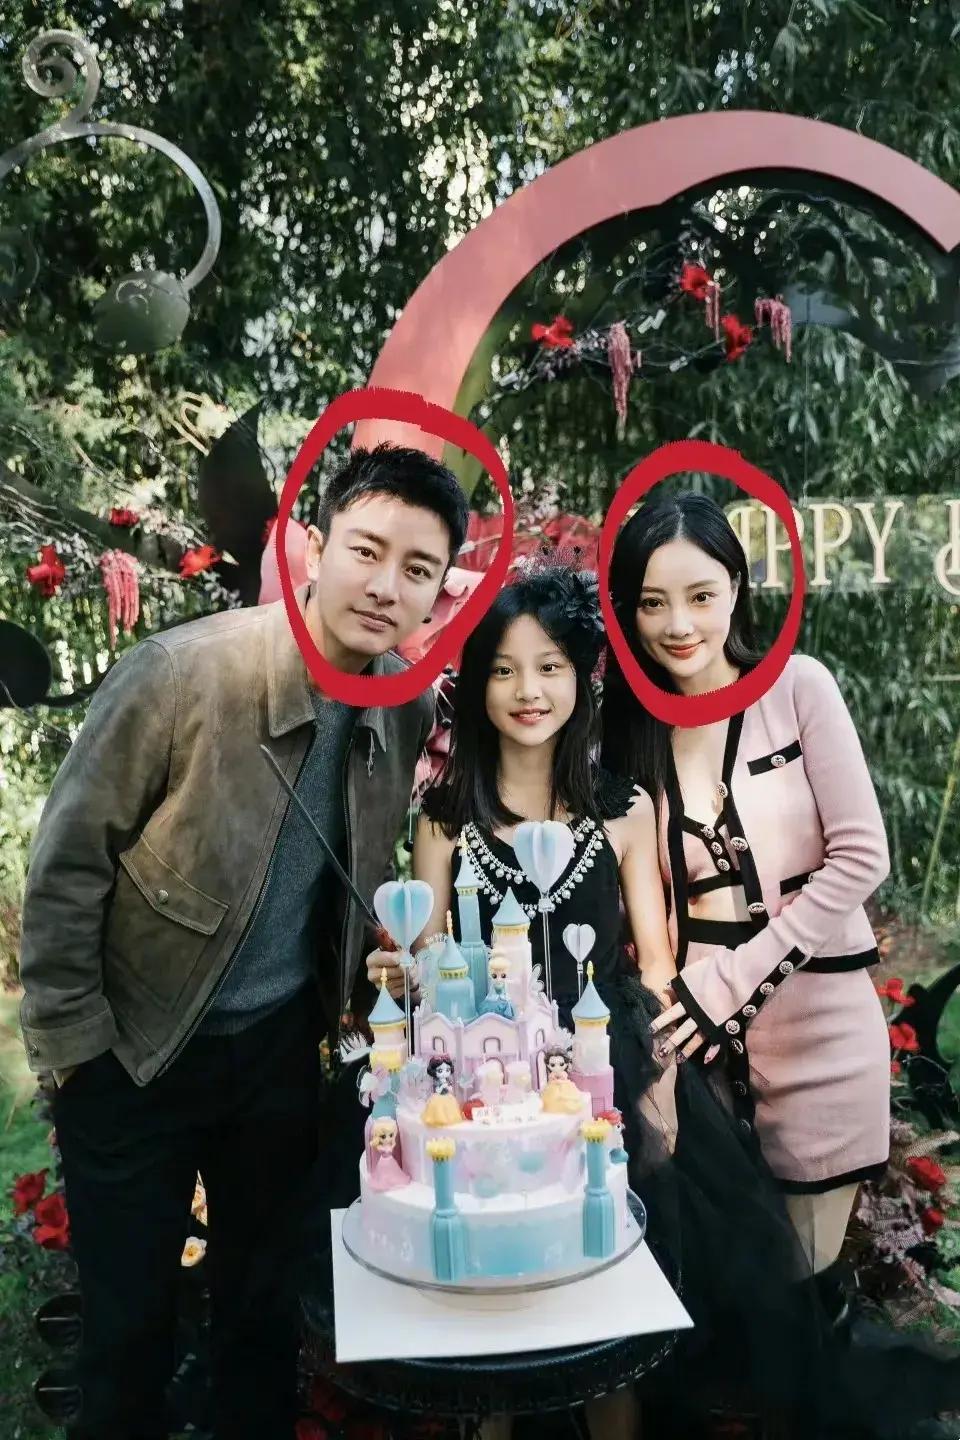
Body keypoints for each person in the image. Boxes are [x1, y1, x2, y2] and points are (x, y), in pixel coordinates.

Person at [17, 443, 469, 1440]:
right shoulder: (181, 675)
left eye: (417, 569)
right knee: (129, 1341)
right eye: (367, 550)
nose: (385, 587)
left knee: (261, 1331)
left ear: (438, 589)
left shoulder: (404, 704)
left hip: (275, 1058)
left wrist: (368, 976)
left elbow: (354, 860)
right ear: (316, 547)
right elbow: (65, 871)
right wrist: (79, 1055)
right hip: (138, 1048)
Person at [601, 488, 960, 1436]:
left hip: (819, 1036)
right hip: (701, 1054)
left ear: (737, 590)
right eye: (652, 603)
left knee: (798, 1296)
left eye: (701, 595)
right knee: (722, 1298)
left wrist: (723, 984)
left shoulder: (798, 687)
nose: (679, 625)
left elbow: (861, 857)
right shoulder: (633, 730)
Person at [365, 565, 679, 1440]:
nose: (528, 691)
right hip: (479, 1089)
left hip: (605, 1069)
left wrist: (664, 1089)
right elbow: (426, 960)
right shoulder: (443, 817)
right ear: (476, 685)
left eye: (549, 667)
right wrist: (396, 975)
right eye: (503, 670)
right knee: (491, 1329)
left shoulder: (625, 809)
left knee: (608, 1315)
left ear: (582, 677)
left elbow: (656, 964)